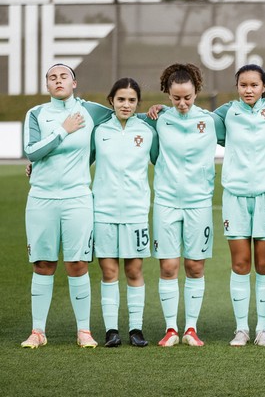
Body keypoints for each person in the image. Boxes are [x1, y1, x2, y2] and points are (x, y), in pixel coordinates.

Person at [21, 63, 113, 348]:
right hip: (41, 198)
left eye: (64, 76)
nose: (58, 80)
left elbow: (125, 111)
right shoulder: (36, 113)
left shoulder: (91, 111)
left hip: (77, 198)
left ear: (74, 83)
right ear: (47, 85)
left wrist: (157, 110)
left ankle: (84, 331)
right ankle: (38, 331)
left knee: (78, 264)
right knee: (43, 263)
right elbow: (31, 151)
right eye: (52, 77)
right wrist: (63, 130)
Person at [147, 63, 225, 347]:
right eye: (176, 98)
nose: (182, 103)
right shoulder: (158, 119)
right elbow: (150, 150)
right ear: (167, 94)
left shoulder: (211, 121)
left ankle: (191, 328)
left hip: (199, 203)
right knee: (168, 266)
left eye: (188, 97)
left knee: (194, 265)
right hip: (166, 201)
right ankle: (171, 329)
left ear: (196, 92)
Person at [213, 64, 265, 347]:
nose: (248, 90)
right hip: (235, 195)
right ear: (237, 87)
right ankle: (241, 329)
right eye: (243, 85)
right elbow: (198, 121)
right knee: (241, 263)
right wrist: (159, 110)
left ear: (264, 87)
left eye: (254, 85)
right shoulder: (226, 112)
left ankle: (263, 329)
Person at [93, 78, 158, 348]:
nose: (126, 105)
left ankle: (135, 329)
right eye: (121, 99)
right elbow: (77, 159)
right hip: (103, 210)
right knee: (109, 271)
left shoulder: (147, 131)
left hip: (135, 211)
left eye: (132, 100)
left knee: (134, 270)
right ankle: (111, 331)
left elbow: (163, 161)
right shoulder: (98, 131)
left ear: (138, 103)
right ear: (112, 101)